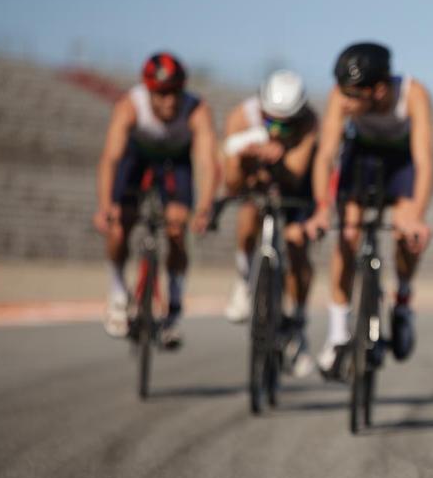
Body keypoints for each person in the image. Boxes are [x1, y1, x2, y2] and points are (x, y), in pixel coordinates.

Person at [304, 43, 433, 374]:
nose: (344, 102)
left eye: (353, 95)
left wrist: (416, 216)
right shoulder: (341, 96)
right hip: (361, 156)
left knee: (405, 230)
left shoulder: (413, 94)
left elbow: (423, 161)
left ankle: (403, 300)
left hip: (401, 160)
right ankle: (337, 335)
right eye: (342, 93)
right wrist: (321, 209)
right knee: (347, 236)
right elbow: (325, 155)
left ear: (377, 90)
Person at [93, 52, 218, 346]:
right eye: (161, 94)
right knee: (117, 224)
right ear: (148, 91)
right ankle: (117, 292)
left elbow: (205, 161)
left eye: (175, 93)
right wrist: (105, 205)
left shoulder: (196, 109)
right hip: (136, 159)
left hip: (176, 162)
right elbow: (110, 158)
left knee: (176, 225)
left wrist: (204, 207)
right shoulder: (129, 106)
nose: (169, 101)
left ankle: (173, 304)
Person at [221, 69, 319, 378]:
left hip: (295, 188)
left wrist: (278, 158)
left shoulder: (309, 123)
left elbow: (297, 173)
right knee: (248, 212)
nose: (276, 130)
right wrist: (244, 160)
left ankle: (298, 323)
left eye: (284, 124)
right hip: (257, 185)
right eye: (269, 120)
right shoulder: (241, 116)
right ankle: (243, 279)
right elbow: (232, 184)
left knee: (297, 243)